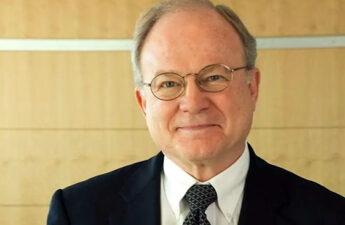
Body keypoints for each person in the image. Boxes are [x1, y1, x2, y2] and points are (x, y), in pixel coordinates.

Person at [47, 0, 345, 224]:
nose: (193, 102)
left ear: (251, 87)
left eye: (214, 77)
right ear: (143, 103)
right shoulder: (78, 212)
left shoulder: (329, 215)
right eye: (168, 83)